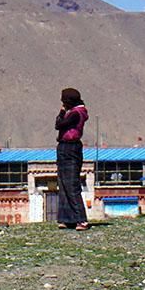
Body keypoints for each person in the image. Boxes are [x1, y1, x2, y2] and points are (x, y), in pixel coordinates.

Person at [55, 87, 90, 230]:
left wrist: (62, 112)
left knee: (71, 184)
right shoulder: (75, 112)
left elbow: (59, 124)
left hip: (70, 148)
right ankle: (67, 218)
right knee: (63, 183)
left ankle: (81, 219)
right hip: (65, 146)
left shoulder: (76, 114)